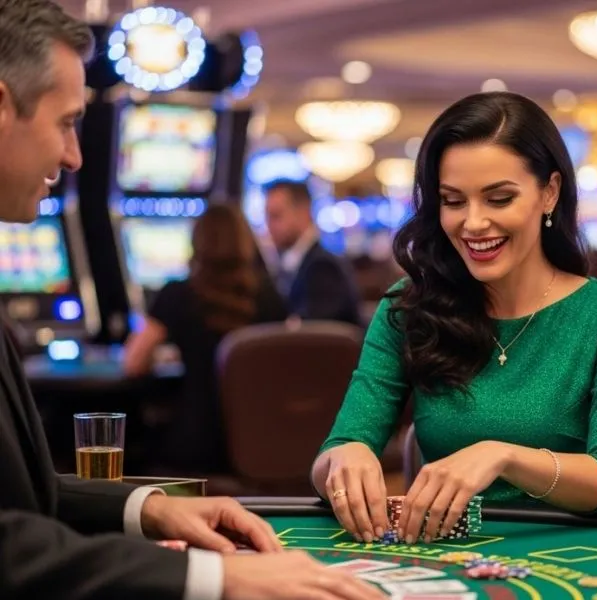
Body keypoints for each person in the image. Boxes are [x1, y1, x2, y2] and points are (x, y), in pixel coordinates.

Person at [0, 1, 384, 599]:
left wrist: (151, 506)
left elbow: (22, 497)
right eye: (67, 121)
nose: (75, 156)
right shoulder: (265, 289)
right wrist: (213, 577)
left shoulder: (182, 294)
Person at [311, 91, 597, 544]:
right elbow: (329, 457)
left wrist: (504, 457)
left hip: (571, 553)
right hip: (449, 557)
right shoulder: (411, 305)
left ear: (549, 192)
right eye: (453, 201)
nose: (473, 223)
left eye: (498, 199)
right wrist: (345, 456)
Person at [124, 204, 287, 473]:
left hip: (195, 445)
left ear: (196, 243)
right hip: (261, 443)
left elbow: (133, 362)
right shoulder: (270, 296)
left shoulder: (178, 293)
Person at [264, 180, 362, 325]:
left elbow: (311, 339)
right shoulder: (295, 261)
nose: (269, 226)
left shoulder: (324, 267)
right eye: (267, 217)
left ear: (303, 212)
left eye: (276, 216)